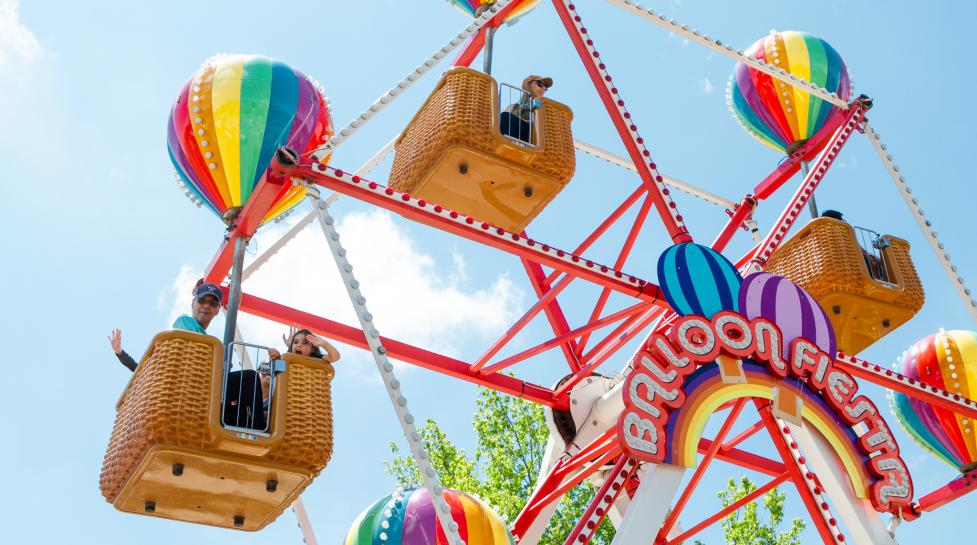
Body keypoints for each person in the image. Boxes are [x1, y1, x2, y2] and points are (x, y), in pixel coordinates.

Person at [109, 282, 224, 371]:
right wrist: (120, 354)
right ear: (193, 303)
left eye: (212, 303)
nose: (206, 306)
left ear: (218, 310)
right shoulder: (185, 322)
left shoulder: (209, 341)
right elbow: (144, 370)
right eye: (202, 300)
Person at [500, 75, 552, 144]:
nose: (543, 89)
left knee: (506, 117)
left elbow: (541, 124)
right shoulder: (513, 106)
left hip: (533, 136)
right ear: (529, 85)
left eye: (545, 88)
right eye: (540, 85)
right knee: (504, 116)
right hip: (514, 133)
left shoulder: (541, 104)